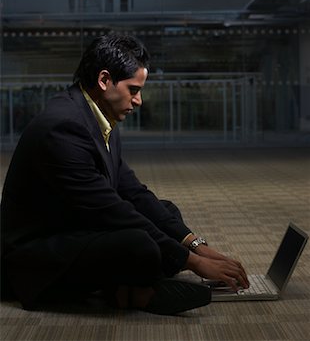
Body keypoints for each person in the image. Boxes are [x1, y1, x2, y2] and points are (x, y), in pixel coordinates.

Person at [1, 34, 249, 315]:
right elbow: (111, 211)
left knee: (165, 210)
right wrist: (192, 261)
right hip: (35, 257)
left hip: (75, 224)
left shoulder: (95, 116)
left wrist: (195, 244)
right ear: (105, 80)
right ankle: (131, 292)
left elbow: (133, 191)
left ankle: (131, 285)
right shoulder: (63, 128)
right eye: (133, 89)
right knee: (137, 244)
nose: (139, 100)